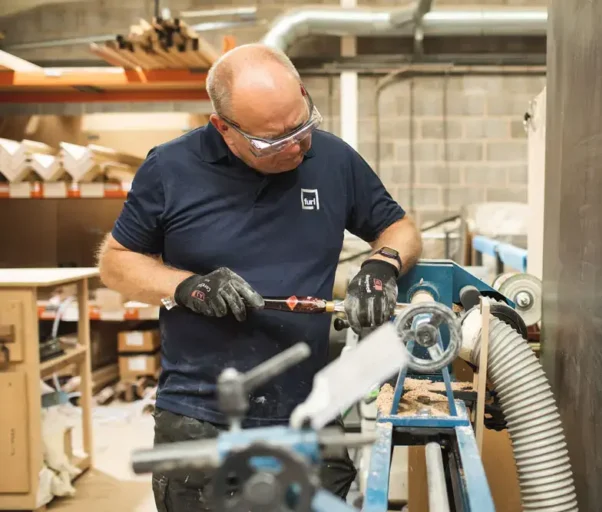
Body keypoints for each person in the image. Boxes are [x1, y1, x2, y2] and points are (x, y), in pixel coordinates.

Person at [97, 43, 422, 511]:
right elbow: (116, 262)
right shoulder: (170, 169)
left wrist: (382, 264)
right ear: (224, 129)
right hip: (202, 414)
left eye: (303, 125)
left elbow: (399, 227)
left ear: (305, 96)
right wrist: (186, 286)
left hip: (311, 408)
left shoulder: (332, 160)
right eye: (272, 140)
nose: (295, 146)